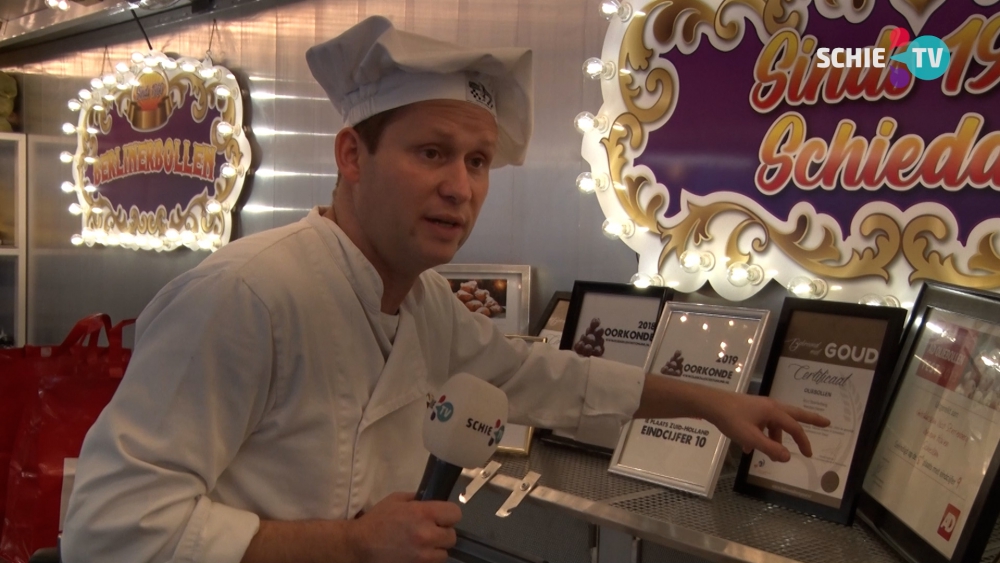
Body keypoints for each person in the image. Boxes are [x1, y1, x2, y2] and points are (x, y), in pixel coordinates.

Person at [62, 15, 828, 563]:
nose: (459, 188)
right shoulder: (246, 296)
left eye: (477, 161)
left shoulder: (424, 307)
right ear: (351, 155)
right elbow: (112, 527)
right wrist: (351, 545)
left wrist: (712, 402)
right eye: (432, 152)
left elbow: (546, 376)